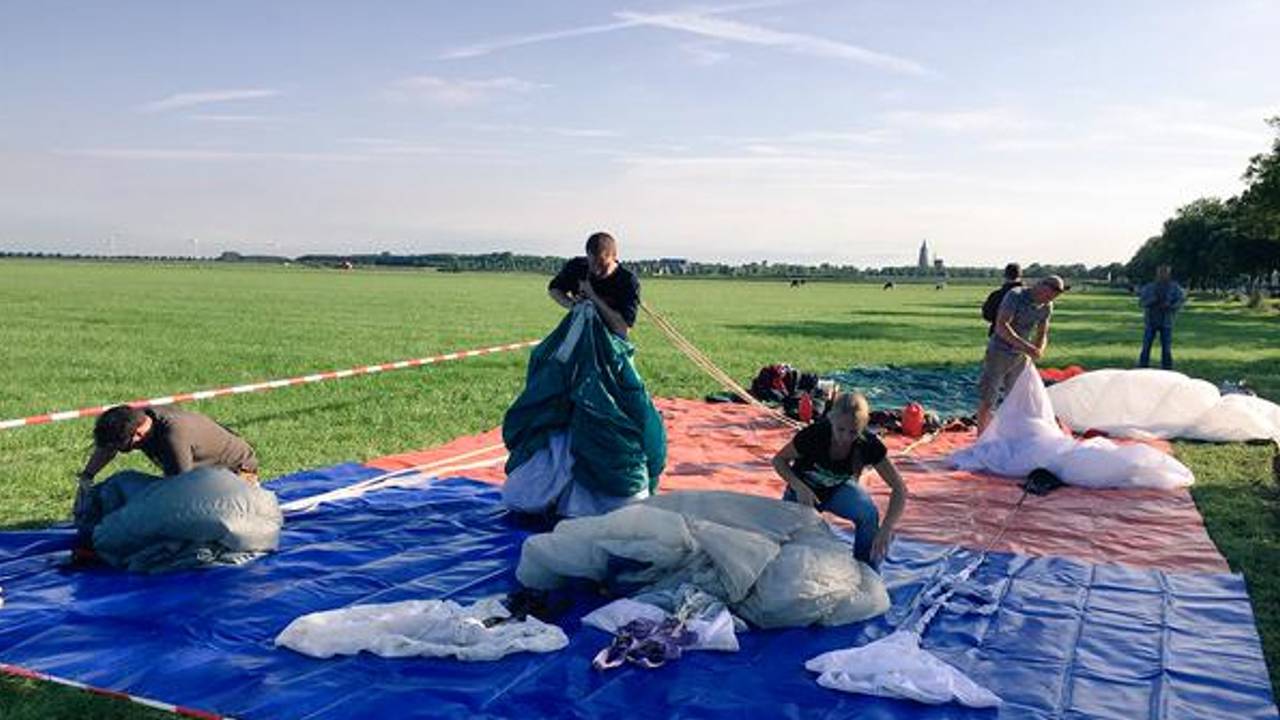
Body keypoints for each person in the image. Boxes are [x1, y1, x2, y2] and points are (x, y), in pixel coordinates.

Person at [771, 392, 907, 567]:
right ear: (831, 420)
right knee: (789, 546)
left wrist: (887, 527)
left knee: (868, 515)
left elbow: (899, 488)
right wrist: (798, 486)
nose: (845, 438)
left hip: (836, 490)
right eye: (840, 430)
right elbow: (779, 460)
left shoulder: (868, 445)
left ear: (863, 426)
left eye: (853, 432)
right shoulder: (814, 435)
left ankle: (866, 569)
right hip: (803, 494)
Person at [77, 405, 259, 487]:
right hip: (200, 473)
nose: (117, 449)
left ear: (137, 435)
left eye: (121, 445)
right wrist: (87, 476)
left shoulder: (173, 436)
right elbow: (108, 448)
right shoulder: (138, 419)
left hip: (236, 472)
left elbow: (180, 488)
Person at [976, 275, 1068, 433]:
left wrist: (1039, 348)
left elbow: (1042, 331)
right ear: (1041, 285)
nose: (1048, 300)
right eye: (1048, 295)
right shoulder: (1015, 296)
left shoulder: (1047, 306)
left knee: (1016, 398)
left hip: (1021, 356)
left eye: (1053, 297)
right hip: (1000, 352)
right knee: (989, 397)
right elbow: (1001, 326)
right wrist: (1027, 347)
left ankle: (1009, 433)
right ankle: (981, 437)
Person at [548, 231, 640, 338]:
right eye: (592, 263)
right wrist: (574, 305)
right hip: (579, 338)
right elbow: (554, 289)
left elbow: (623, 329)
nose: (596, 269)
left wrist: (593, 296)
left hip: (610, 344)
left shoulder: (627, 281)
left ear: (614, 256)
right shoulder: (577, 267)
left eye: (602, 264)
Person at [1137, 265, 1186, 370]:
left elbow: (1181, 301)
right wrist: (1151, 301)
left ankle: (1167, 368)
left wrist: (1171, 306)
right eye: (1161, 272)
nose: (1163, 275)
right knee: (1146, 346)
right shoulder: (1149, 287)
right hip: (1151, 321)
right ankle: (1142, 367)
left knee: (1166, 348)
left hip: (1166, 321)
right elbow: (1141, 302)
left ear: (1169, 274)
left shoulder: (1175, 288)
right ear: (1157, 273)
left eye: (1165, 272)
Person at [981, 263, 1024, 336]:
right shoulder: (1028, 295)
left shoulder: (996, 295)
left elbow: (987, 315)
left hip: (998, 334)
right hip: (1023, 334)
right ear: (1020, 275)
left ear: (1005, 275)